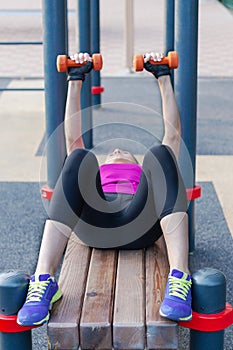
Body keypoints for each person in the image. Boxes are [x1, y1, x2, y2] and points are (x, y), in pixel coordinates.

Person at [17, 52, 192, 326]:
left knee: (162, 151)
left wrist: (163, 76)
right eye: (111, 153)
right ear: (105, 167)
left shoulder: (145, 177)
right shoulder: (94, 178)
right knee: (78, 156)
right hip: (95, 227)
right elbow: (72, 138)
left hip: (140, 224)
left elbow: (172, 133)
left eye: (125, 153)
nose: (117, 149)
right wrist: (75, 79)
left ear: (135, 166)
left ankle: (180, 278)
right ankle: (43, 281)